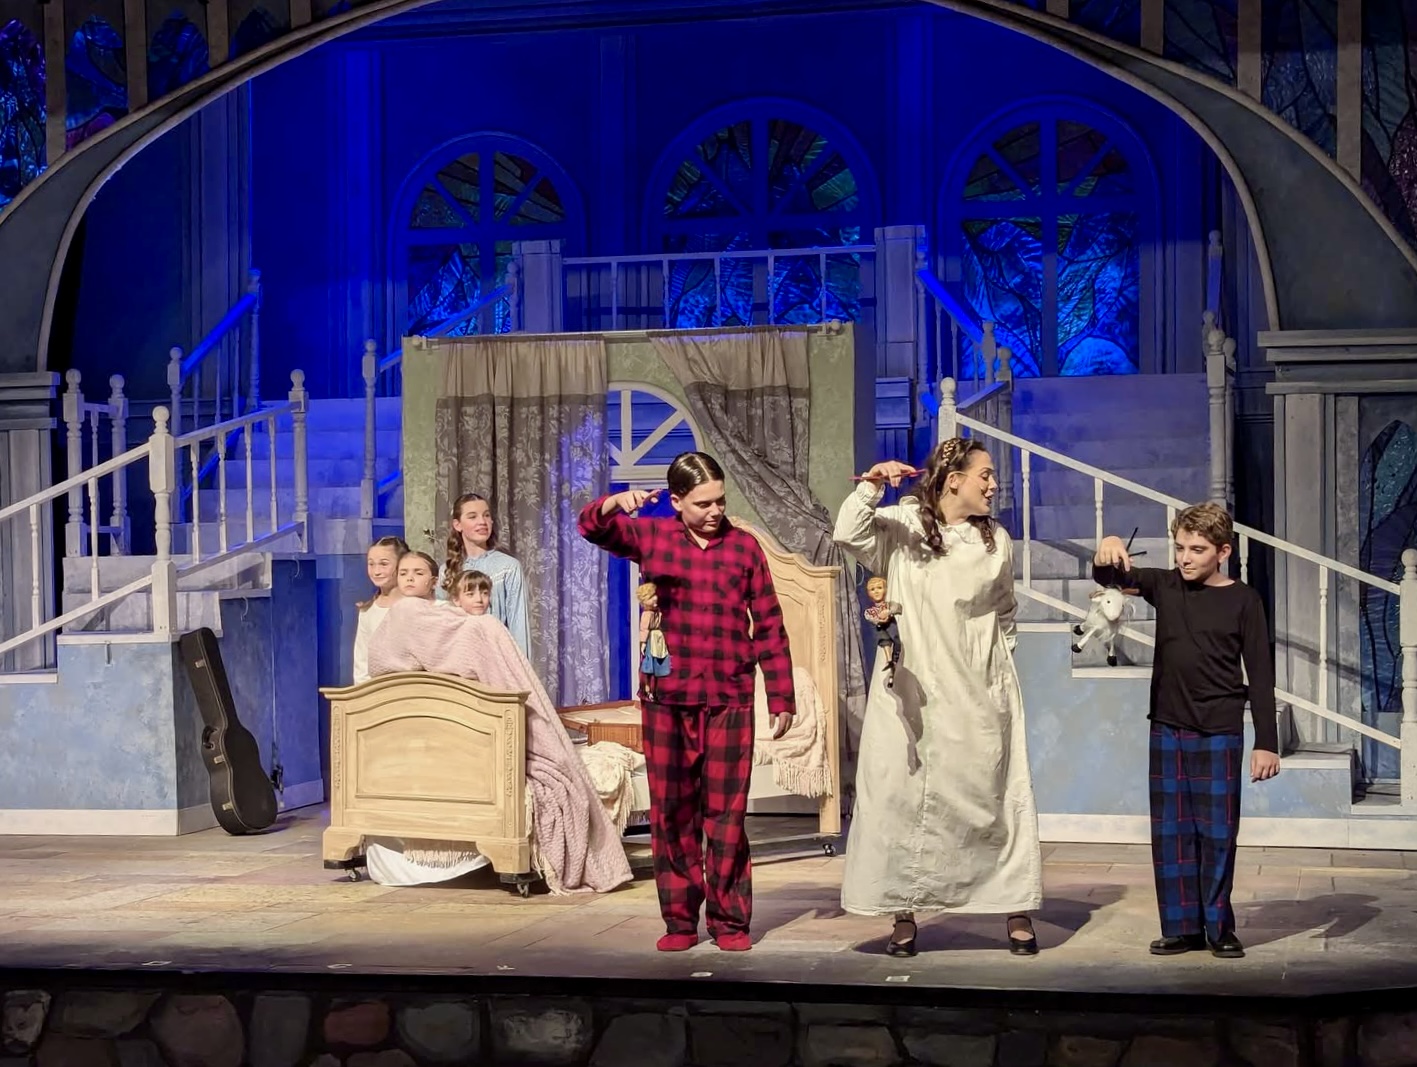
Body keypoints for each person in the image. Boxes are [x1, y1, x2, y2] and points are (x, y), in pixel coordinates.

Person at [578, 452, 795, 953]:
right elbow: (591, 527)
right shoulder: (652, 537)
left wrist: (780, 693)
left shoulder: (744, 547)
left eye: (720, 501)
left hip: (728, 697)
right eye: (703, 504)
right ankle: (679, 922)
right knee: (672, 814)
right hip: (667, 699)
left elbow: (769, 623)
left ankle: (729, 922)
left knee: (727, 816)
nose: (715, 511)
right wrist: (614, 503)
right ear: (676, 502)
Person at [834, 438, 1041, 958]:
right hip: (912, 688)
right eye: (985, 475)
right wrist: (873, 485)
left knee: (991, 796)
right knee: (901, 798)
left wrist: (996, 672)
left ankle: (1013, 904)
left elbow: (1005, 610)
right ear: (954, 480)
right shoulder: (904, 527)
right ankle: (903, 913)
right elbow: (849, 533)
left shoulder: (995, 541)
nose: (993, 485)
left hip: (977, 686)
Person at [1093, 502, 1280, 960]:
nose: (1185, 558)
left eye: (1197, 550)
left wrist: (1267, 743)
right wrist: (1107, 548)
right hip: (1168, 726)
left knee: (1217, 833)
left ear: (1223, 552)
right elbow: (1110, 577)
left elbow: (1260, 674)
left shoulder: (1244, 601)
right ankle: (1181, 928)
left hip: (1219, 729)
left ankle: (1219, 927)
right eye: (1179, 548)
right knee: (1171, 833)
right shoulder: (1166, 585)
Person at [438, 493, 531, 657]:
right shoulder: (446, 570)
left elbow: (519, 626)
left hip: (496, 659)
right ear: (458, 525)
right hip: (457, 661)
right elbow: (440, 624)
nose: (482, 521)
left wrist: (521, 667)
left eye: (486, 515)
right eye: (472, 516)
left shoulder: (508, 567)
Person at [352, 536, 407, 685]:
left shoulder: (417, 606)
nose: (376, 571)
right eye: (371, 564)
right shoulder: (367, 612)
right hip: (378, 691)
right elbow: (362, 662)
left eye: (384, 564)